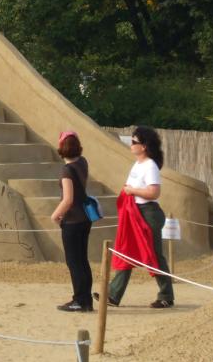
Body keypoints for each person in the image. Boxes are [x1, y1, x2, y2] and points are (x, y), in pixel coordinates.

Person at [97, 126, 175, 309]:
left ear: (144, 146)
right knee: (126, 251)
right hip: (135, 212)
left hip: (147, 213)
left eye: (134, 142)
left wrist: (132, 191)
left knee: (154, 254)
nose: (131, 145)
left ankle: (166, 295)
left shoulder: (150, 166)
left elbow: (154, 192)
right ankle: (113, 295)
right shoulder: (138, 164)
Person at [51, 131, 93, 312]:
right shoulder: (83, 163)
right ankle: (86, 299)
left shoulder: (67, 170)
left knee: (74, 262)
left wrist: (55, 216)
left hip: (72, 221)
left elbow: (68, 199)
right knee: (82, 260)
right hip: (85, 218)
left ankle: (79, 300)